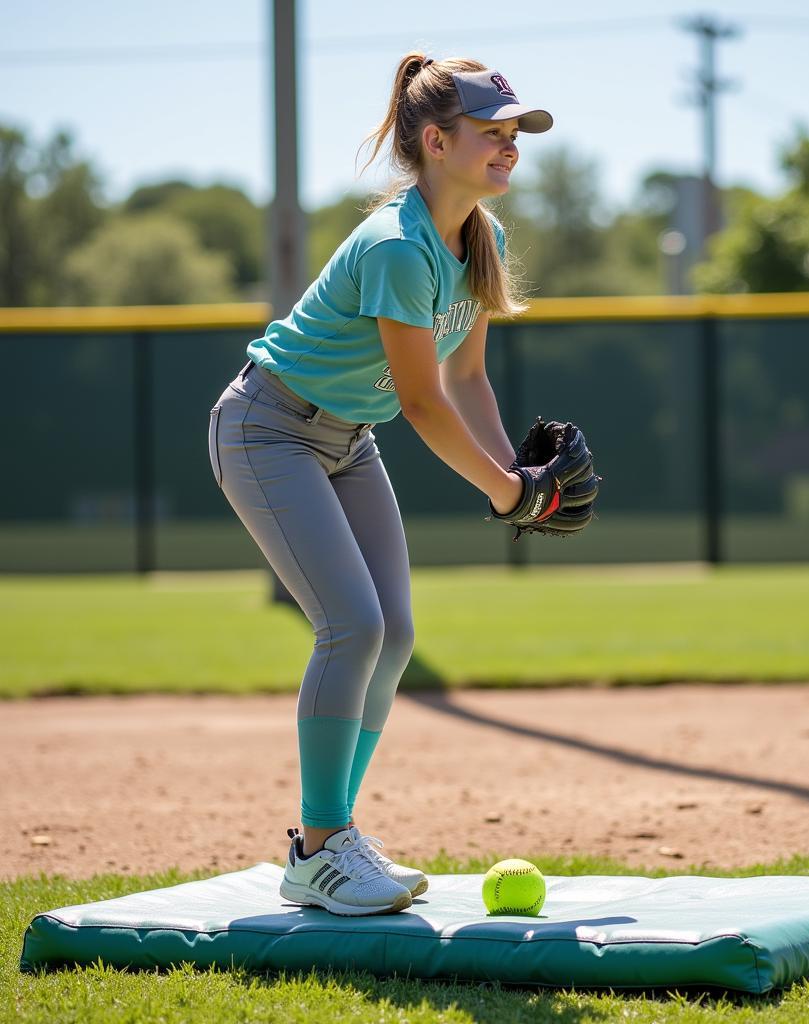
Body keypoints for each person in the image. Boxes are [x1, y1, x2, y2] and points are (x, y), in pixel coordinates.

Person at [206, 53, 553, 916]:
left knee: (393, 633)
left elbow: (468, 379)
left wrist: (520, 477)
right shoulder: (399, 246)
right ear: (436, 141)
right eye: (491, 133)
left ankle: (330, 838)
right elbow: (424, 402)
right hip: (268, 430)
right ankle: (321, 848)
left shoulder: (483, 238)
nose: (509, 147)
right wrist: (506, 493)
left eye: (515, 134)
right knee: (351, 625)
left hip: (346, 441)